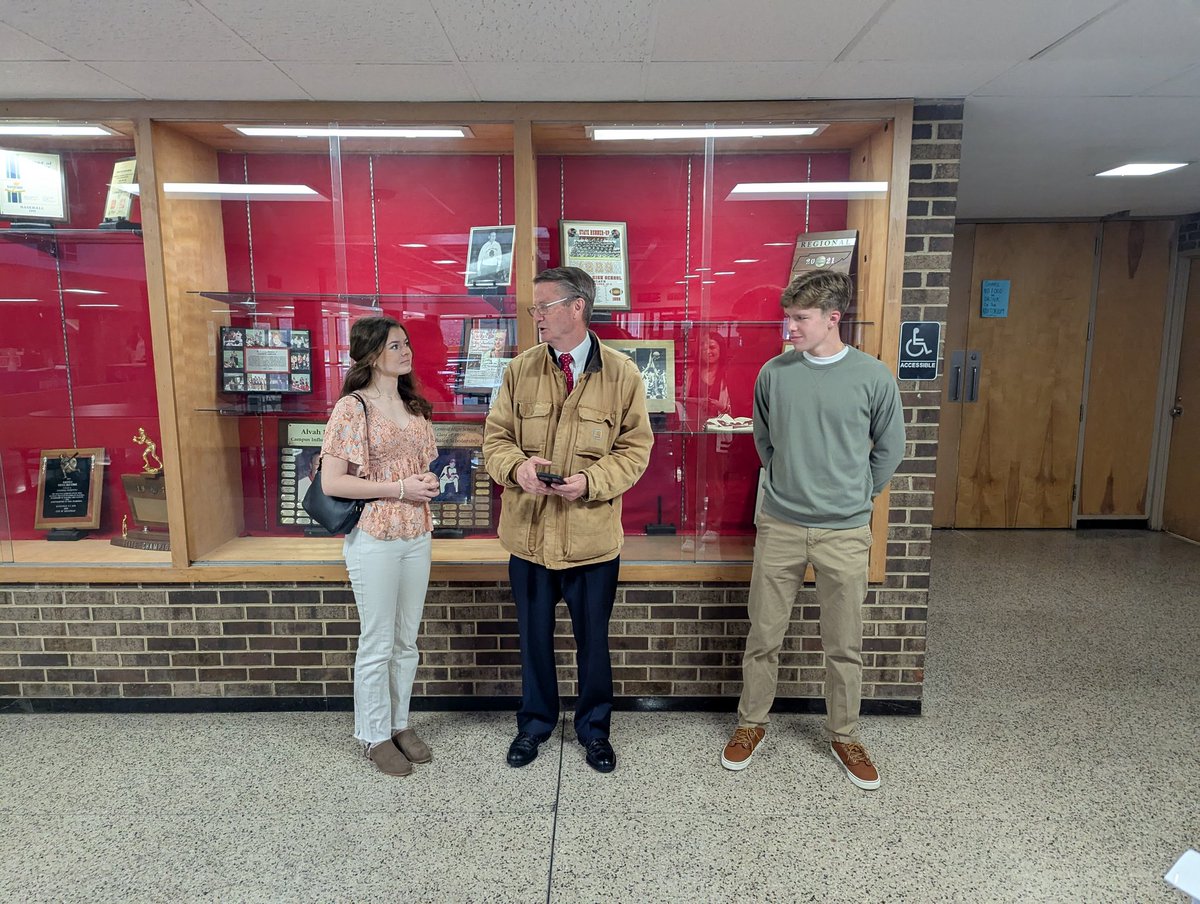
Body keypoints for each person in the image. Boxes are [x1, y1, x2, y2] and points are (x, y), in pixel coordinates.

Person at [721, 269, 905, 790]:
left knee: (844, 642)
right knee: (763, 635)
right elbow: (764, 438)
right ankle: (751, 724)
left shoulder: (873, 377)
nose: (790, 329)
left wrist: (855, 495)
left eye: (800, 319)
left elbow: (890, 450)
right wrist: (788, 482)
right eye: (788, 318)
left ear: (833, 319)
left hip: (845, 531)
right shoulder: (774, 374)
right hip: (780, 523)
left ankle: (844, 733)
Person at [483, 266, 653, 774]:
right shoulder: (520, 370)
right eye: (535, 308)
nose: (535, 316)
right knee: (534, 640)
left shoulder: (622, 373)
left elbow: (635, 449)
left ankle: (594, 730)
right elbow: (495, 439)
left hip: (591, 541)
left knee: (593, 644)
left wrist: (591, 483)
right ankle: (534, 725)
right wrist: (517, 468)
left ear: (577, 306)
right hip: (529, 538)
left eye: (544, 307)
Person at [319, 315, 440, 777]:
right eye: (394, 346)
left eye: (406, 344)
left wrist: (424, 484)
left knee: (406, 639)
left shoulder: (415, 407)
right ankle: (373, 734)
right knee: (377, 641)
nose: (405, 352)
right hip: (374, 535)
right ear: (371, 355)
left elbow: (421, 467)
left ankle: (400, 723)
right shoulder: (353, 408)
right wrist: (399, 489)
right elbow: (334, 481)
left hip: (416, 532)